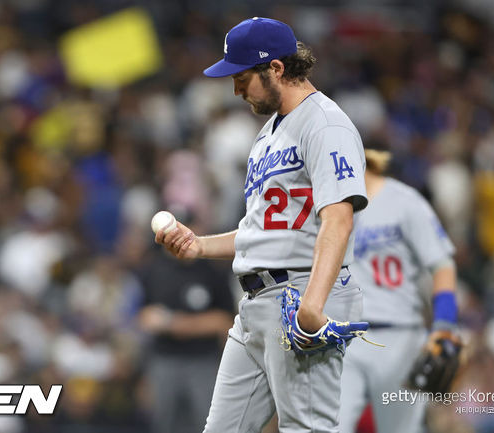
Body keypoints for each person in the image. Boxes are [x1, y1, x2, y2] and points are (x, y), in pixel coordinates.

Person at [155, 17, 369, 433]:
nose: (235, 89)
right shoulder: (269, 133)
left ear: (276, 68)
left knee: (305, 428)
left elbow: (339, 218)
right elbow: (264, 230)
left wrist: (314, 302)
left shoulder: (326, 124)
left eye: (242, 76)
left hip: (300, 293)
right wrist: (199, 245)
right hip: (255, 305)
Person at [338, 146, 458, 433]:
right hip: (345, 340)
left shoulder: (404, 202)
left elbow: (442, 266)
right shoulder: (329, 208)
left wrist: (443, 325)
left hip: (400, 337)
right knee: (329, 427)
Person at [137, 211, 235, 433]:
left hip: (203, 362)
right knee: (162, 425)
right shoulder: (154, 269)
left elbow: (224, 321)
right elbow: (143, 317)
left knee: (208, 425)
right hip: (164, 360)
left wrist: (173, 323)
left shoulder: (212, 269)